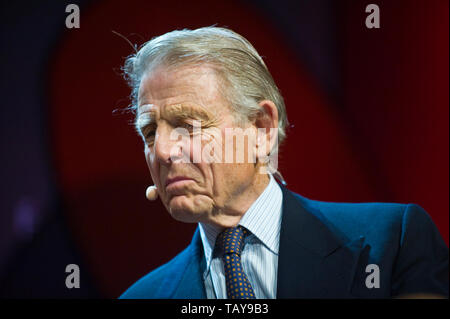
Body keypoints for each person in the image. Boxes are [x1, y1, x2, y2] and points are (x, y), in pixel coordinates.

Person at [119, 27, 448, 299]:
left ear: (261, 128)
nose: (161, 151)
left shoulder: (392, 244)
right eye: (149, 132)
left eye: (187, 125)